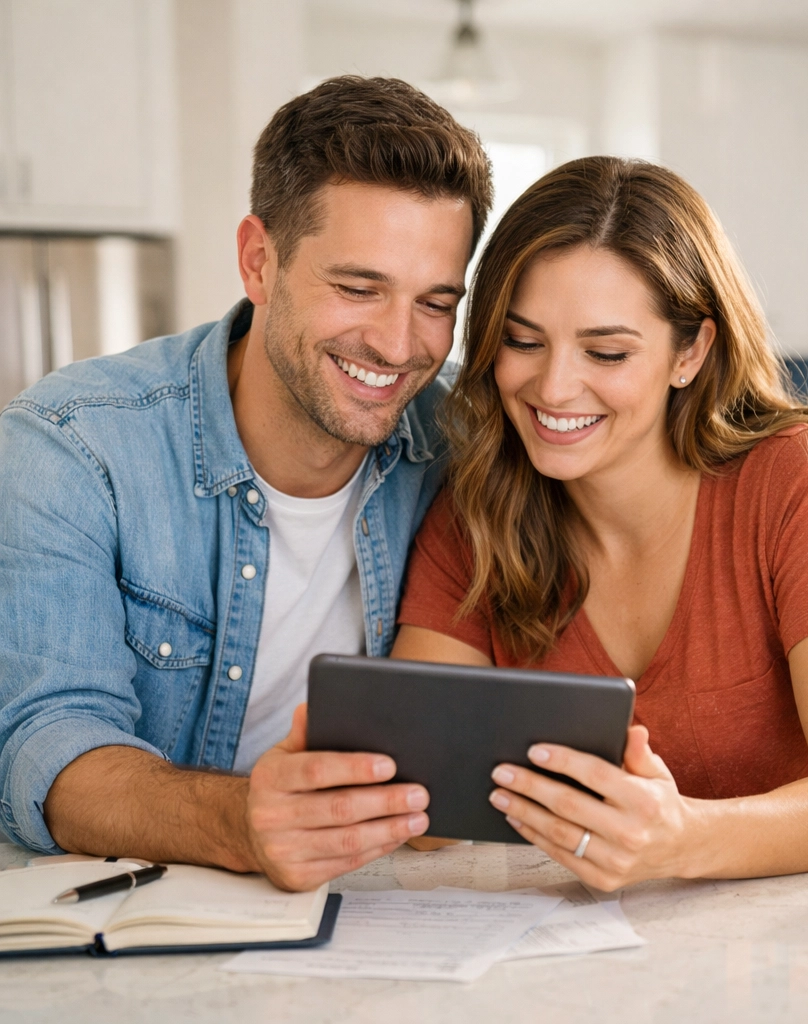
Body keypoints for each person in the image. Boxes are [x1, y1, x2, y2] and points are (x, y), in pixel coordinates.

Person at [391, 156, 808, 889]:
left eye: (607, 352)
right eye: (523, 341)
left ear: (690, 352)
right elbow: (421, 804)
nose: (553, 386)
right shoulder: (475, 512)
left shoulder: (798, 477)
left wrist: (683, 838)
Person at [0, 76, 492, 891]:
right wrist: (242, 822)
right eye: (358, 288)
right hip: (134, 906)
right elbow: (45, 744)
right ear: (259, 262)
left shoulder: (464, 447)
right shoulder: (71, 444)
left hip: (368, 900)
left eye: (436, 303)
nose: (398, 344)